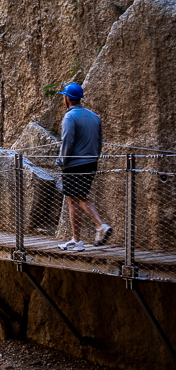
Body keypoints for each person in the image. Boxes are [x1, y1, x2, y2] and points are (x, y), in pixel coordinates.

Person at [56, 83, 110, 251]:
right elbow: (99, 142)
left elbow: (67, 141)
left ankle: (100, 226)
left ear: (67, 98)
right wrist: (94, 158)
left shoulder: (70, 117)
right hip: (91, 163)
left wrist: (62, 161)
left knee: (77, 197)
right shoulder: (94, 117)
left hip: (73, 165)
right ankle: (76, 239)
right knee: (75, 198)